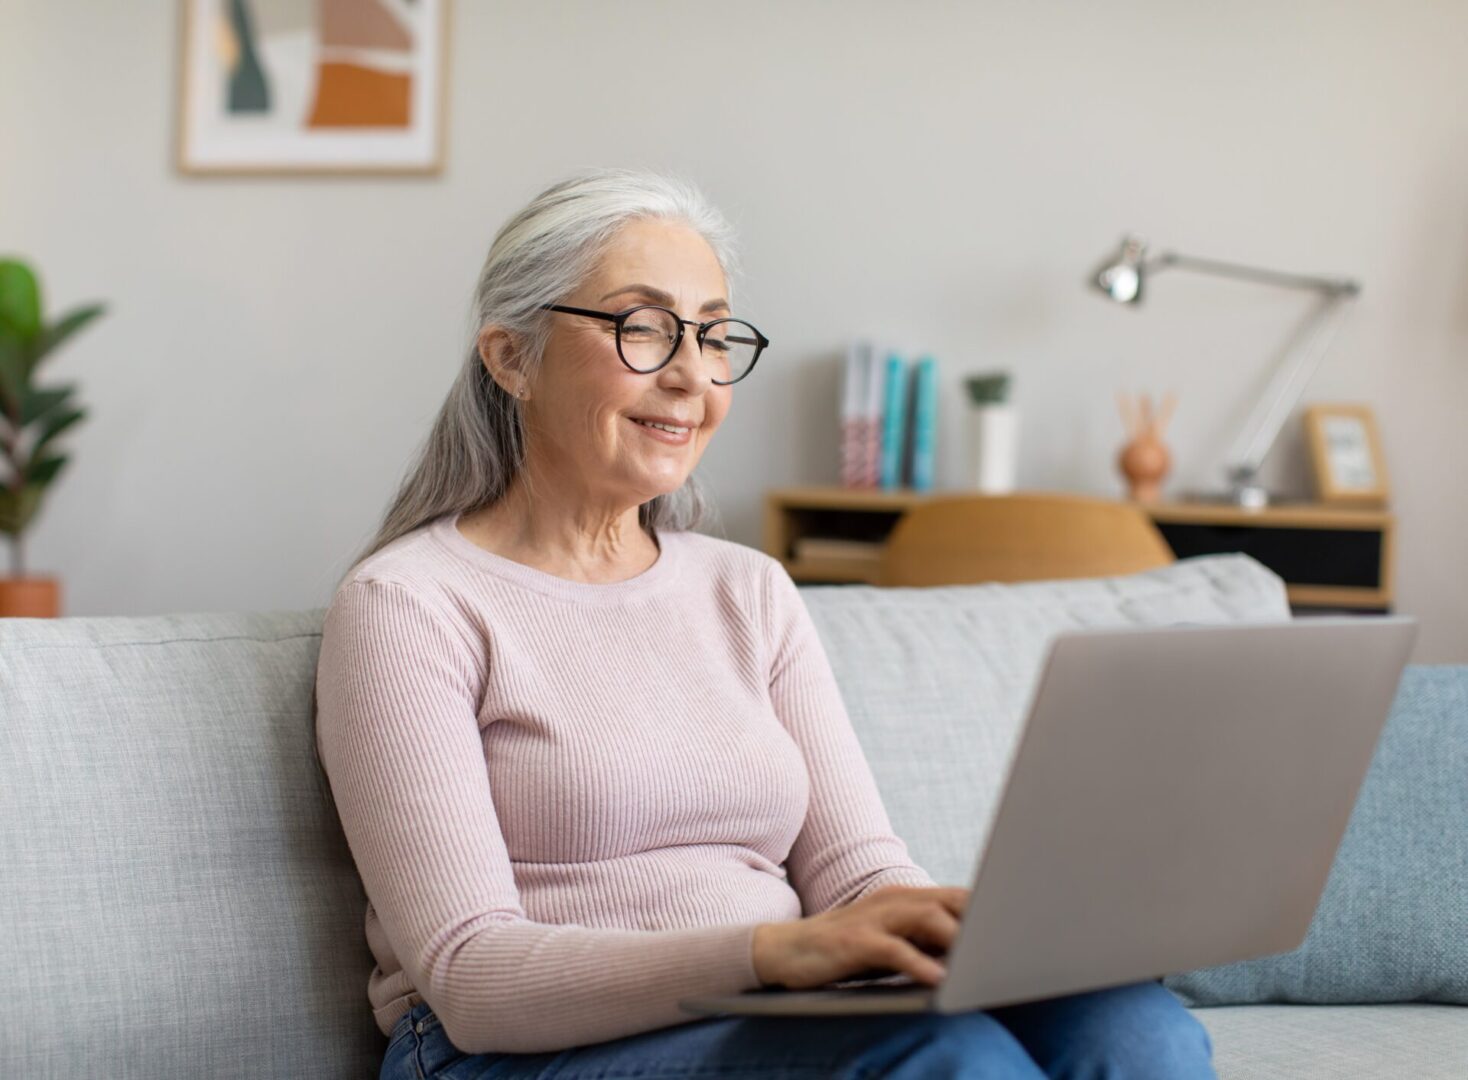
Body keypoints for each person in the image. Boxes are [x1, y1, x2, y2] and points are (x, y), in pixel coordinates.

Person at [313, 167, 1217, 1079]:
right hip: (506, 1051)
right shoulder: (412, 604)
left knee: (1134, 1026)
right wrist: (771, 954)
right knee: (946, 1057)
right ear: (512, 358)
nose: (691, 375)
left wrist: (970, 933)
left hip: (767, 1010)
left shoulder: (748, 589)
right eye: (644, 328)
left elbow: (860, 876)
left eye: (712, 336)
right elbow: (473, 978)